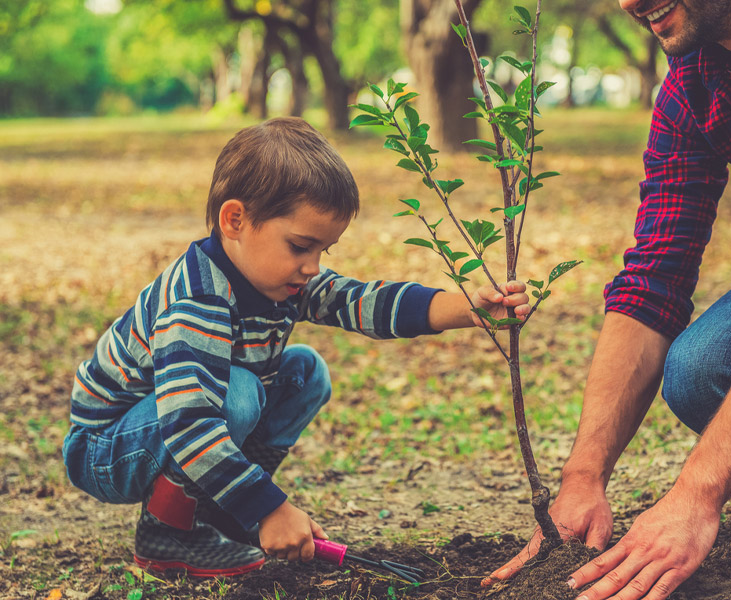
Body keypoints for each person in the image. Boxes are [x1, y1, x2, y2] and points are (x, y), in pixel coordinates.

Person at [62, 117, 532, 578]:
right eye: (300, 246)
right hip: (106, 447)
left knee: (305, 371)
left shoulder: (280, 279)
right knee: (238, 391)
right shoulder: (197, 301)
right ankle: (168, 532)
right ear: (235, 219)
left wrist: (466, 308)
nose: (312, 266)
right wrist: (271, 509)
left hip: (165, 428)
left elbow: (360, 300)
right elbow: (188, 424)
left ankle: (223, 513)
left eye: (322, 251)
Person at [484, 0, 731, 598]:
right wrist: (583, 476)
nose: (629, 2)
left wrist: (696, 497)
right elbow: (654, 277)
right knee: (705, 369)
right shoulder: (695, 89)